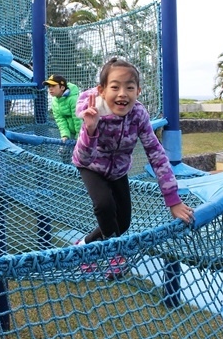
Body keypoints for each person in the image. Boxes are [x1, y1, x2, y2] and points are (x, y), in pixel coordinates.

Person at [72, 57, 194, 279]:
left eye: (129, 87)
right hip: (90, 165)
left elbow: (156, 154)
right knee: (104, 205)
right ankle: (114, 253)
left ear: (138, 91)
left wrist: (173, 200)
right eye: (115, 87)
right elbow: (82, 156)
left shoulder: (138, 115)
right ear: (101, 90)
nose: (122, 94)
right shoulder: (93, 111)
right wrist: (90, 129)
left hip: (118, 170)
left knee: (123, 222)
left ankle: (83, 245)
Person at [43, 75, 83, 161]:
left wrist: (79, 135)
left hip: (83, 130)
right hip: (70, 131)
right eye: (49, 86)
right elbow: (60, 120)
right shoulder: (55, 101)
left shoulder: (73, 99)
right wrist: (65, 135)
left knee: (80, 152)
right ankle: (66, 166)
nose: (50, 89)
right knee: (63, 150)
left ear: (62, 87)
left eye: (53, 86)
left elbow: (78, 119)